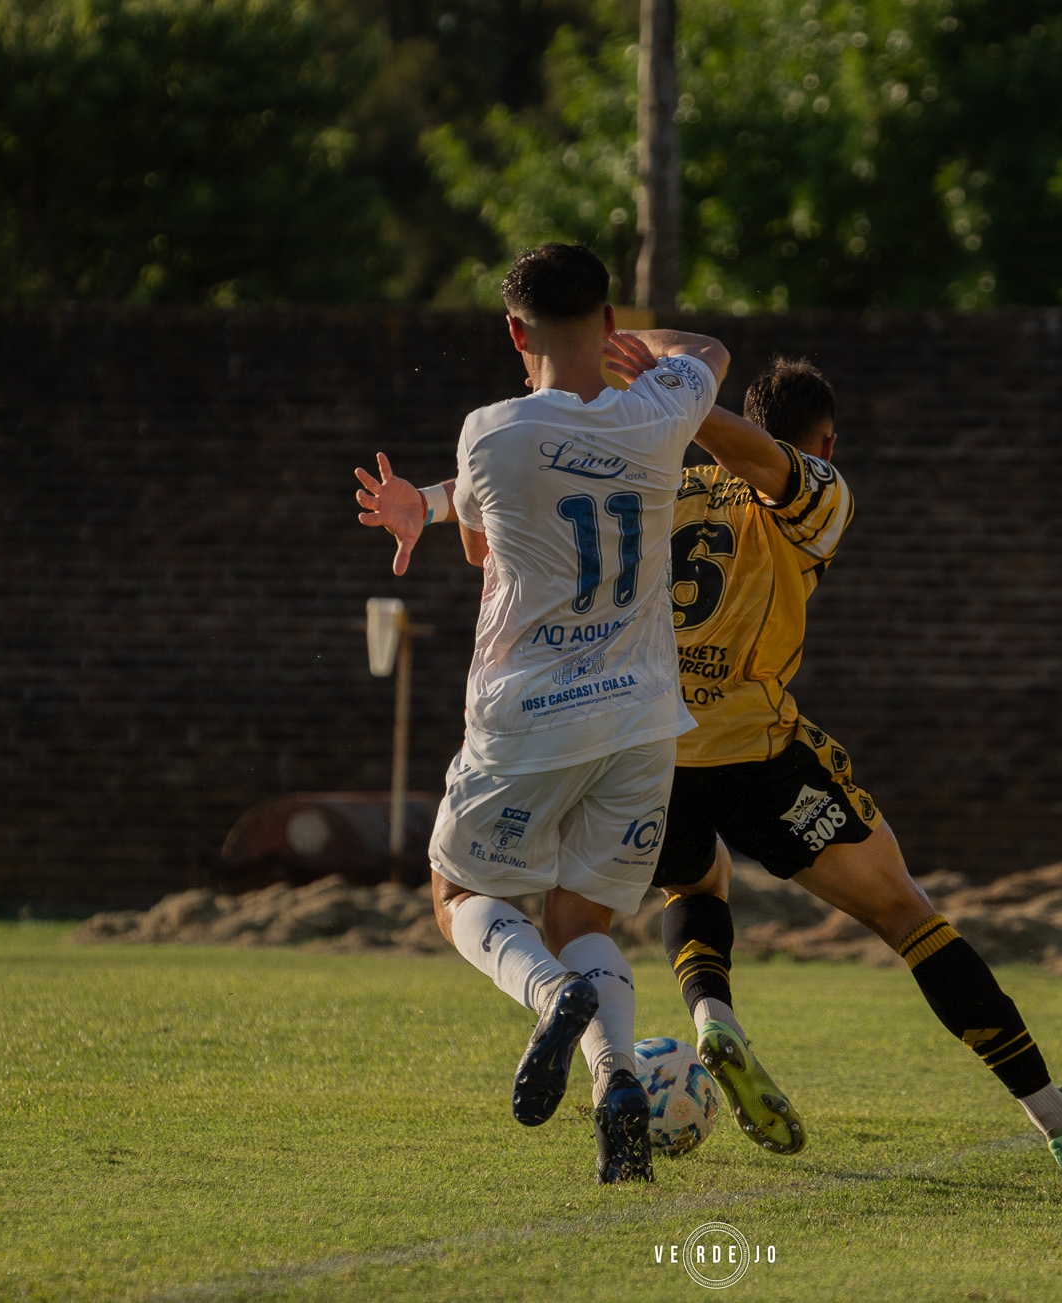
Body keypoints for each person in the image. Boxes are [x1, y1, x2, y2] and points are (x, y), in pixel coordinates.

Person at [596, 341, 1062, 1176]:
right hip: (757, 750)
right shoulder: (821, 491)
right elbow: (773, 469)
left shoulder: (665, 480)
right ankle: (1057, 1112)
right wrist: (678, 389)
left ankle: (714, 1019)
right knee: (907, 914)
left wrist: (665, 389)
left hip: (647, 751)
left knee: (695, 883)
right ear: (828, 441)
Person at [352, 243, 754, 1185]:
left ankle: (549, 992)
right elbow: (708, 345)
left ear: (512, 331)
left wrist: (429, 506)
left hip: (527, 710)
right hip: (643, 719)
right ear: (610, 324)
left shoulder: (488, 429)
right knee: (583, 913)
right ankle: (616, 1089)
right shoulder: (662, 411)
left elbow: (483, 546)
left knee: (459, 894)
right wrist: (638, 359)